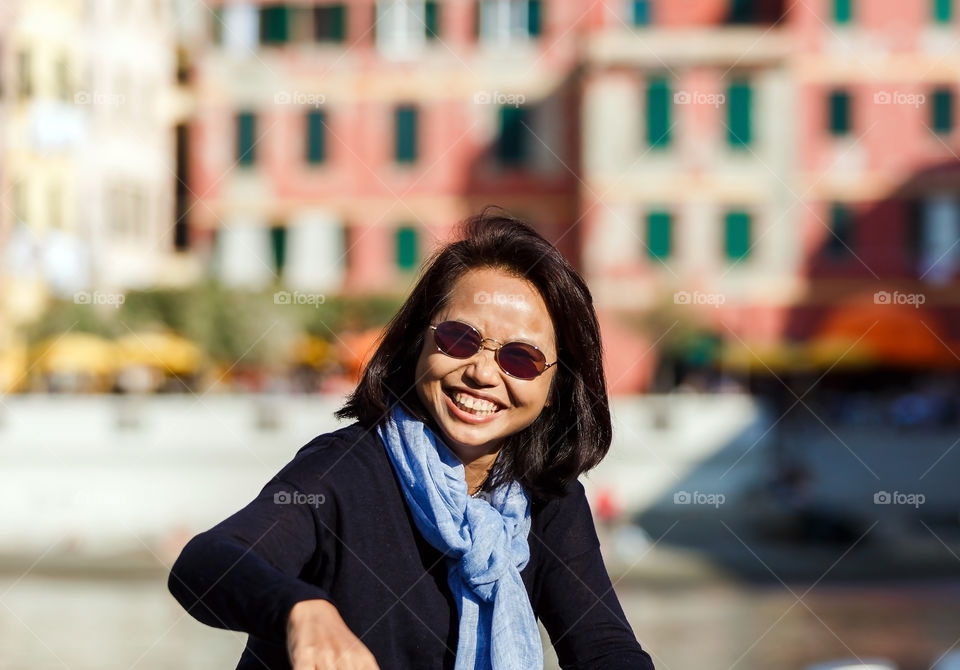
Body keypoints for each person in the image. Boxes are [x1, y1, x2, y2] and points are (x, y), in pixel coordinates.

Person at [168, 210, 655, 670]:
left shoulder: (548, 496)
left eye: (522, 359)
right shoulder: (345, 470)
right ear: (418, 344)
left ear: (556, 388)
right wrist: (302, 610)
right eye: (460, 339)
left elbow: (602, 647)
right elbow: (208, 562)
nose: (482, 373)